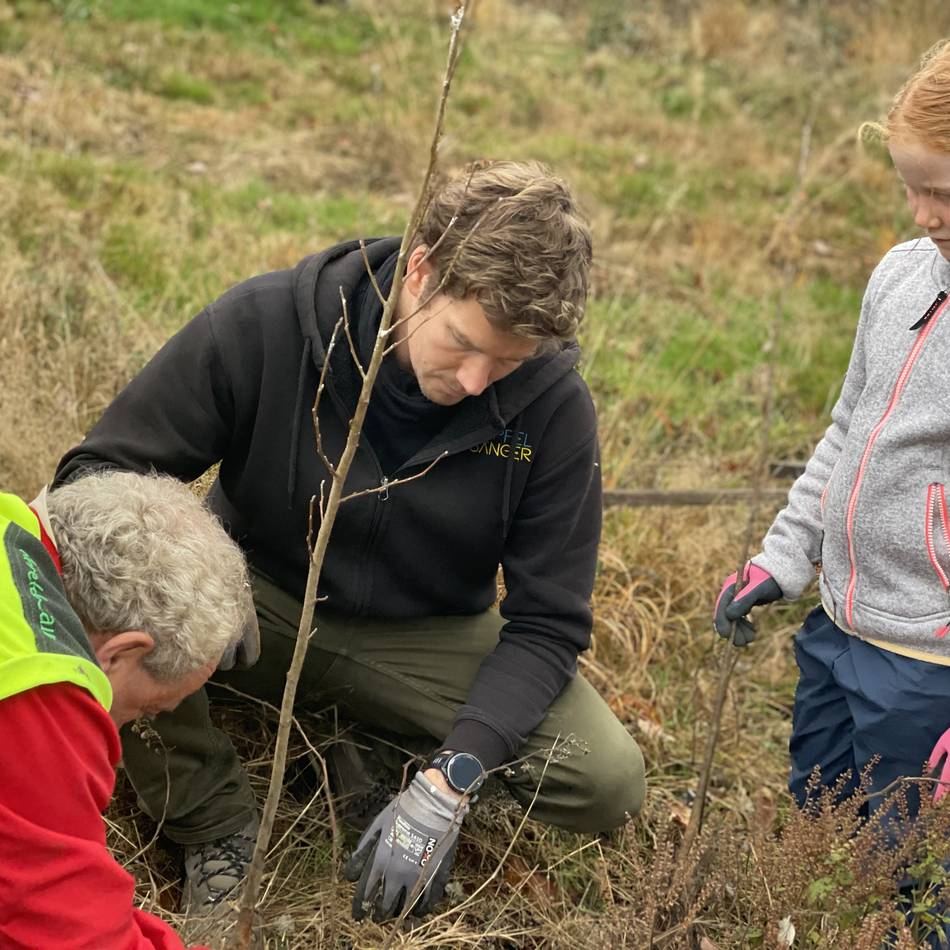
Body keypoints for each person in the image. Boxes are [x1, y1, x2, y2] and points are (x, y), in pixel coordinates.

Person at [53, 160, 646, 921]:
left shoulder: (555, 409)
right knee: (101, 598)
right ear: (421, 270)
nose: (474, 381)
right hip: (252, 603)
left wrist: (453, 778)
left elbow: (547, 624)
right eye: (463, 342)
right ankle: (213, 821)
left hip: (429, 636)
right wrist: (204, 590)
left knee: (607, 780)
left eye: (507, 363)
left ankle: (393, 763)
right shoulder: (269, 323)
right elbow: (93, 477)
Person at [713, 35, 950, 888]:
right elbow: (847, 427)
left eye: (942, 192)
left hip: (931, 669)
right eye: (909, 188)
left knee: (907, 882)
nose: (923, 214)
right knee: (819, 842)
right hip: (840, 633)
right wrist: (784, 554)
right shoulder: (899, 276)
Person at [0, 471, 253, 949]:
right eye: (147, 708)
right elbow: (72, 934)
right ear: (118, 653)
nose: (120, 739)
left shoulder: (11, 529)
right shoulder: (42, 696)